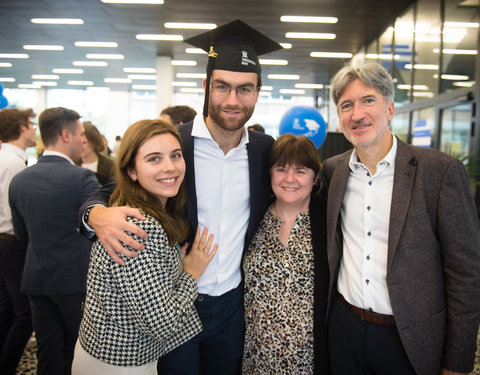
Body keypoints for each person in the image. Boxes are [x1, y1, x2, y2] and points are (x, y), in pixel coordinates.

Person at [78, 20, 282, 374]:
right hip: (176, 302)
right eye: (222, 87)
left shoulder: (265, 152)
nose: (233, 100)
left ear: (258, 91)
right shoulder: (173, 145)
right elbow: (106, 192)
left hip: (233, 304)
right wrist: (95, 215)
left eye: (245, 89)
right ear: (206, 86)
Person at [322, 60, 480, 375]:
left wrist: (457, 363)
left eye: (369, 100)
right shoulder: (332, 170)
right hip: (343, 330)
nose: (357, 114)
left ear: (390, 109)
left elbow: (466, 274)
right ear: (339, 118)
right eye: (346, 105)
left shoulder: (439, 172)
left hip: (408, 338)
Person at [72, 119, 217, 375]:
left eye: (175, 155)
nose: (170, 167)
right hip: (119, 364)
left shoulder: (149, 210)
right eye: (154, 159)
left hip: (113, 354)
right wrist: (191, 274)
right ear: (131, 171)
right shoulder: (139, 227)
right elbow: (163, 323)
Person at [9, 107, 101, 375]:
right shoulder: (82, 178)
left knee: (47, 352)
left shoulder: (19, 180)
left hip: (37, 280)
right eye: (80, 134)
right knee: (77, 352)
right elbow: (97, 230)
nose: (84, 140)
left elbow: (21, 235)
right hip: (76, 282)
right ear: (65, 135)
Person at [242, 133, 329, 374]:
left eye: (300, 171)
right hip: (256, 356)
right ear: (270, 173)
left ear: (315, 177)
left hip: (309, 360)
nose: (290, 179)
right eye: (281, 169)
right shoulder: (253, 216)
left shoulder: (329, 221)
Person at [0, 108, 36, 375]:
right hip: (12, 242)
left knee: (7, 309)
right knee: (24, 315)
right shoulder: (13, 163)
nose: (34, 130)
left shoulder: (5, 158)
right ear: (21, 128)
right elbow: (15, 211)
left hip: (4, 242)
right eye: (31, 124)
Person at [79, 121, 115, 185]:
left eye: (84, 143)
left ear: (94, 142)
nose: (80, 146)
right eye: (78, 142)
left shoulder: (110, 166)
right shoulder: (72, 164)